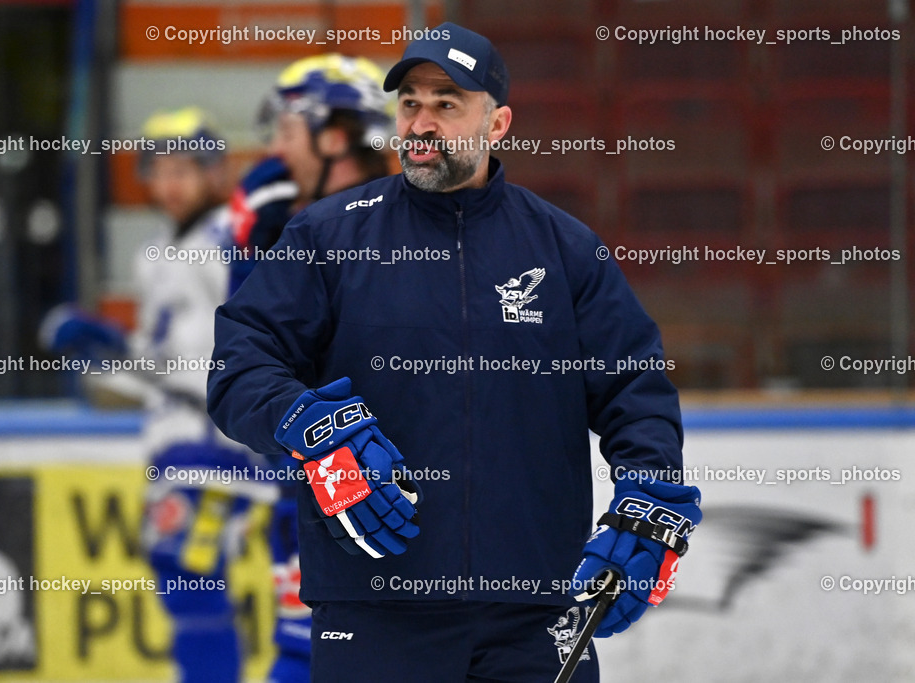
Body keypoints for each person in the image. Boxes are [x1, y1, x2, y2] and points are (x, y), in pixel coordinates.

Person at [207, 23, 702, 683]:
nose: (422, 121)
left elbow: (633, 386)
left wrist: (649, 491)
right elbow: (239, 363)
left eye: (447, 103)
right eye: (410, 102)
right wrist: (306, 422)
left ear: (496, 123)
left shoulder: (565, 249)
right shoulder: (327, 237)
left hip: (534, 614)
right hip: (374, 611)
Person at [41, 107, 274, 683]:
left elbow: (257, 334)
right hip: (176, 439)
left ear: (217, 173)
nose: (169, 184)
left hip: (215, 444)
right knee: (185, 578)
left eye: (185, 169)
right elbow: (164, 362)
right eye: (159, 170)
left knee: (189, 573)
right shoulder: (156, 254)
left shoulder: (228, 238)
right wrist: (110, 345)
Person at [224, 55, 394, 683]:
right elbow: (249, 358)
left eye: (286, 134)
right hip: (307, 488)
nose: (274, 150)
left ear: (333, 137)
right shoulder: (290, 224)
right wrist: (258, 250)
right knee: (302, 654)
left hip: (386, 493)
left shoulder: (406, 229)